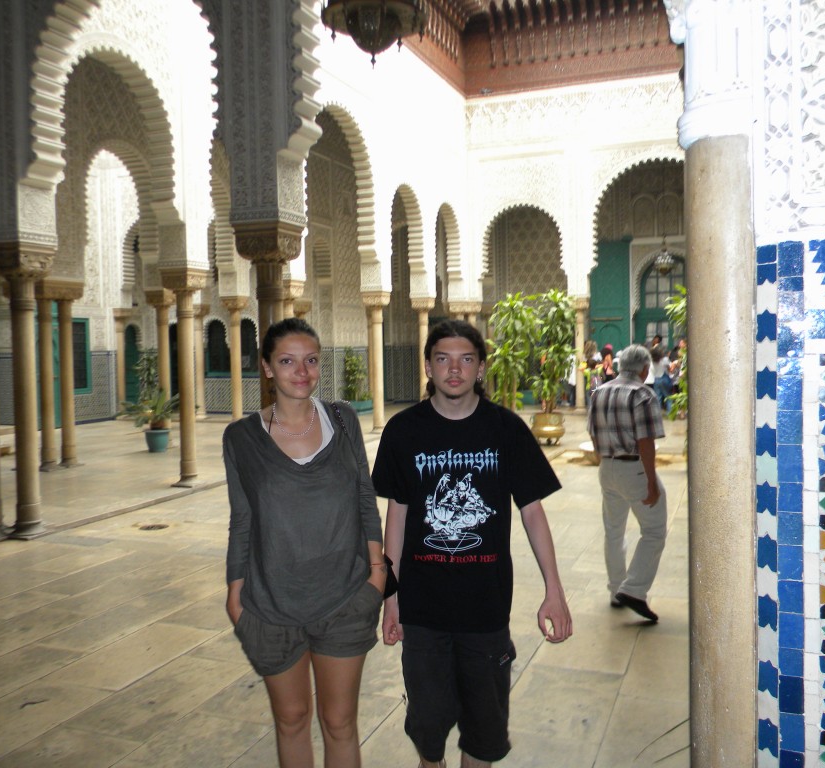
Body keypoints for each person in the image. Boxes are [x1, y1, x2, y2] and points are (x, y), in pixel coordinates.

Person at [372, 319, 572, 768]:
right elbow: (397, 515)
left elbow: (532, 511)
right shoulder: (403, 431)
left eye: (466, 359)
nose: (454, 369)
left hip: (485, 610)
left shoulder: (505, 429)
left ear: (481, 368)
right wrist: (391, 598)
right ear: (428, 366)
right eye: (443, 359)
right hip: (422, 610)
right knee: (428, 733)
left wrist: (554, 591)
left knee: (483, 736)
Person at [223, 318, 385, 768]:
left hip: (345, 599)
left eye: (311, 360)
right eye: (288, 361)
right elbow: (242, 519)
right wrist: (236, 593)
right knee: (292, 719)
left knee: (340, 722)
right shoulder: (241, 438)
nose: (302, 372)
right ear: (267, 367)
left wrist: (377, 574)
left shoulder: (343, 420)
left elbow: (365, 496)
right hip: (270, 607)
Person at [586, 344, 668, 624]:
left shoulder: (600, 392)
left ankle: (616, 590)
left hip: (607, 467)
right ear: (644, 369)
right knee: (654, 531)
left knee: (614, 531)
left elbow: (593, 432)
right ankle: (634, 589)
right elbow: (645, 440)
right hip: (634, 468)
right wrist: (651, 481)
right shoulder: (642, 394)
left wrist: (606, 461)